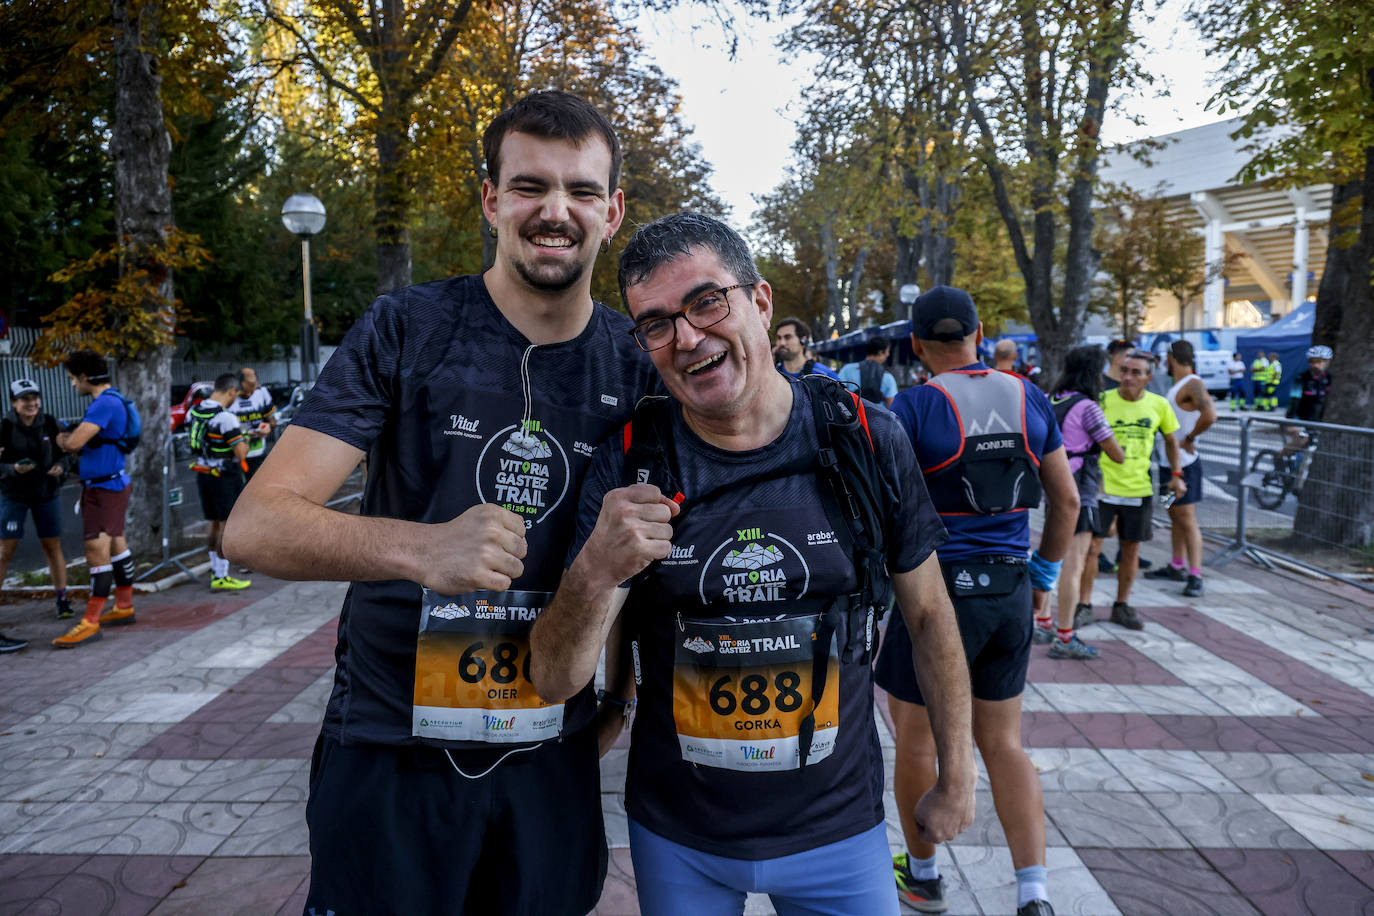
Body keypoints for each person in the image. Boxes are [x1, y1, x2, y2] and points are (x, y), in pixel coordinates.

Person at [222, 91, 655, 915]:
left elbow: (634, 555)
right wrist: (420, 549)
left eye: (582, 191)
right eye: (530, 186)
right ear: (491, 199)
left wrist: (620, 695)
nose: (555, 211)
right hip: (389, 746)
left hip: (547, 750)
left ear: (613, 210)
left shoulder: (636, 369)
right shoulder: (407, 329)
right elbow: (256, 524)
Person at [529, 214, 975, 916]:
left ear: (760, 302)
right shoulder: (629, 461)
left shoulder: (863, 438)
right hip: (680, 836)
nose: (687, 339)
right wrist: (592, 572)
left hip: (840, 832)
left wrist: (959, 771)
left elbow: (929, 613)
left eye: (707, 302)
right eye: (655, 323)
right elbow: (554, 680)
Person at [875, 286, 1078, 916]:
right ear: (979, 331)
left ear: (916, 344)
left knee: (917, 742)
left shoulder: (911, 407)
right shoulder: (1029, 395)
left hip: (935, 598)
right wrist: (1043, 572)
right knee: (1004, 743)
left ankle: (925, 878)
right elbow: (1067, 501)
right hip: (1010, 589)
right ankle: (1034, 893)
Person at [1081, 350, 1186, 630]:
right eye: (1125, 370)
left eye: (1135, 373)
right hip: (1101, 488)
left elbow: (1171, 441)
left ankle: (1122, 606)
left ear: (1148, 377)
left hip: (1137, 489)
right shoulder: (1102, 401)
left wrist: (1176, 475)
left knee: (1131, 550)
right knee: (1092, 548)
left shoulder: (1159, 405)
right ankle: (1083, 605)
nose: (1127, 377)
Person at [1035, 348, 1124, 658]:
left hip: (1052, 491)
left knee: (1050, 559)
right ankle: (1065, 636)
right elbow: (1116, 453)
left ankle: (1043, 621)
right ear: (1092, 373)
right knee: (1072, 568)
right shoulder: (1088, 407)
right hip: (1080, 493)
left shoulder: (1049, 400)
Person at [52, 350, 138, 648]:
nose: (73, 385)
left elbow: (75, 442)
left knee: (95, 550)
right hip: (110, 484)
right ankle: (124, 606)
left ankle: (89, 622)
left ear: (85, 377)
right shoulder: (114, 399)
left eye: (73, 379)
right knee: (116, 544)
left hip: (104, 489)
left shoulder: (103, 404)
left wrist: (61, 438)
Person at [1144, 341, 1217, 597]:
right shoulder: (1180, 385)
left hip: (1184, 466)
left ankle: (1195, 574)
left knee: (1187, 519)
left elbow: (1210, 415)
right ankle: (1177, 564)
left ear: (1171, 358)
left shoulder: (1193, 384)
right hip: (1169, 463)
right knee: (1173, 514)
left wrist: (1190, 438)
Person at [0, 379, 76, 619]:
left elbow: (67, 454)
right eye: (24, 399)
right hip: (14, 496)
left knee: (52, 545)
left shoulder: (51, 423)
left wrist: (60, 467)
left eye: (34, 398)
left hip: (46, 494)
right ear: (14, 403)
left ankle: (62, 600)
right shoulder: (5, 427)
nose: (31, 403)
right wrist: (13, 468)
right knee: (5, 550)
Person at [188, 373, 252, 591]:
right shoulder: (226, 418)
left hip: (203, 471)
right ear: (232, 391)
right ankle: (222, 576)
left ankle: (216, 570)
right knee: (227, 524)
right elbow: (241, 452)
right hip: (224, 474)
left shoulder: (194, 412)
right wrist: (248, 439)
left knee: (213, 522)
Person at [231, 367, 276, 480]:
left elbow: (273, 421)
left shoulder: (262, 392)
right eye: (246, 390)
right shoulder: (229, 397)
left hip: (258, 454)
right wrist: (243, 432)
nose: (250, 393)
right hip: (235, 457)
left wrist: (267, 427)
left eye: (253, 389)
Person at [773, 316, 839, 380]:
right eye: (779, 338)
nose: (782, 343)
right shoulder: (773, 374)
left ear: (803, 340)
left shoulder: (824, 375)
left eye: (788, 337)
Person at [839, 336, 898, 406]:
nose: (888, 355)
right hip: (878, 415)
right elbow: (891, 405)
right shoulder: (887, 376)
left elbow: (838, 392)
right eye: (888, 351)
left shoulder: (847, 369)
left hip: (851, 415)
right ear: (881, 352)